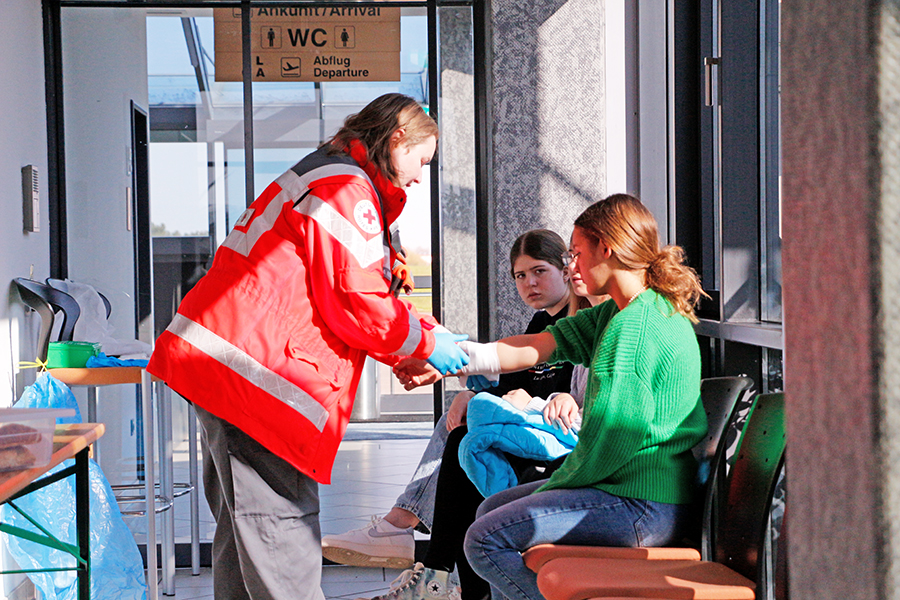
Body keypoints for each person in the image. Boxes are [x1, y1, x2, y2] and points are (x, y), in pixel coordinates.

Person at [146, 93, 470, 600]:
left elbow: (339, 296)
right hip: (260, 383)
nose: (420, 177)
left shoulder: (327, 176)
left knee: (245, 538)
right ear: (397, 138)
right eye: (422, 161)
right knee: (284, 540)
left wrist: (411, 343)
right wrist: (426, 343)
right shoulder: (346, 187)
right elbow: (355, 297)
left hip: (234, 372)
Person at [386, 194, 709, 600]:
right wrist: (446, 358)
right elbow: (539, 344)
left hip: (641, 505)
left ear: (606, 249)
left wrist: (556, 487)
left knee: (484, 539)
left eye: (576, 252)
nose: (571, 264)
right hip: (635, 493)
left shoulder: (635, 329)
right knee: (489, 513)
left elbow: (609, 442)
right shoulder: (623, 313)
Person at [322, 229, 577, 569]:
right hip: (533, 427)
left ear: (566, 269)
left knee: (462, 438)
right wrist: (469, 392)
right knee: (458, 425)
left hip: (559, 438)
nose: (529, 283)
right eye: (520, 275)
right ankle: (414, 541)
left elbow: (563, 395)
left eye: (539, 271)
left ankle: (414, 543)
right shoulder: (540, 321)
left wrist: (524, 399)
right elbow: (507, 379)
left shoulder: (583, 322)